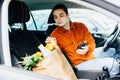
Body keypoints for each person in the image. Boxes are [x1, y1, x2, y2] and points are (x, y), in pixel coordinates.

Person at [45, 3, 119, 77]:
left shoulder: (80, 26)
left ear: (67, 15)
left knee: (112, 51)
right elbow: (56, 56)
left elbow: (91, 42)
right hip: (78, 64)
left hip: (89, 55)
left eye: (61, 15)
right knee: (113, 63)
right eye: (55, 17)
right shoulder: (54, 35)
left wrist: (87, 48)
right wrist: (52, 45)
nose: (58, 19)